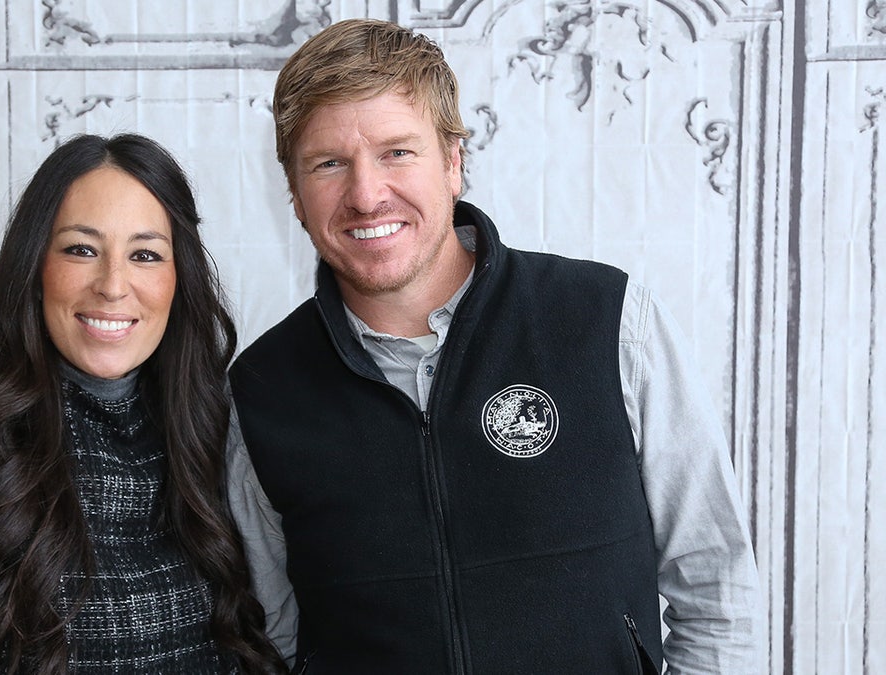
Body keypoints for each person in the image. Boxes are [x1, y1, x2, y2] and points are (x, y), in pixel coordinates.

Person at [225, 18, 762, 674]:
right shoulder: (262, 391)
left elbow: (715, 583)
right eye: (329, 163)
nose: (366, 194)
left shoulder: (607, 320)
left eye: (397, 152)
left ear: (454, 161)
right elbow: (269, 641)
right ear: (295, 193)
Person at [0, 133, 287, 674]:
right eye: (81, 249)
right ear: (35, 268)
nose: (112, 285)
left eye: (145, 254)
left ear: (179, 281)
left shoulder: (223, 438)